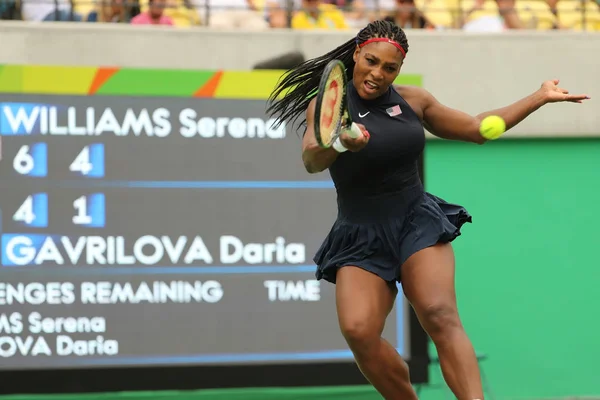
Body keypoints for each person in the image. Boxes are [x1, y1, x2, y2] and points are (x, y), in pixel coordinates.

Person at [266, 19, 589, 400]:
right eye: (371, 61)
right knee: (358, 331)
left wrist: (538, 96)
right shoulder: (328, 104)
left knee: (438, 313)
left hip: (415, 221)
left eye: (390, 68)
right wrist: (340, 142)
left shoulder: (414, 100)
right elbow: (311, 160)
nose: (378, 74)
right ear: (356, 54)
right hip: (361, 233)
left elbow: (477, 129)